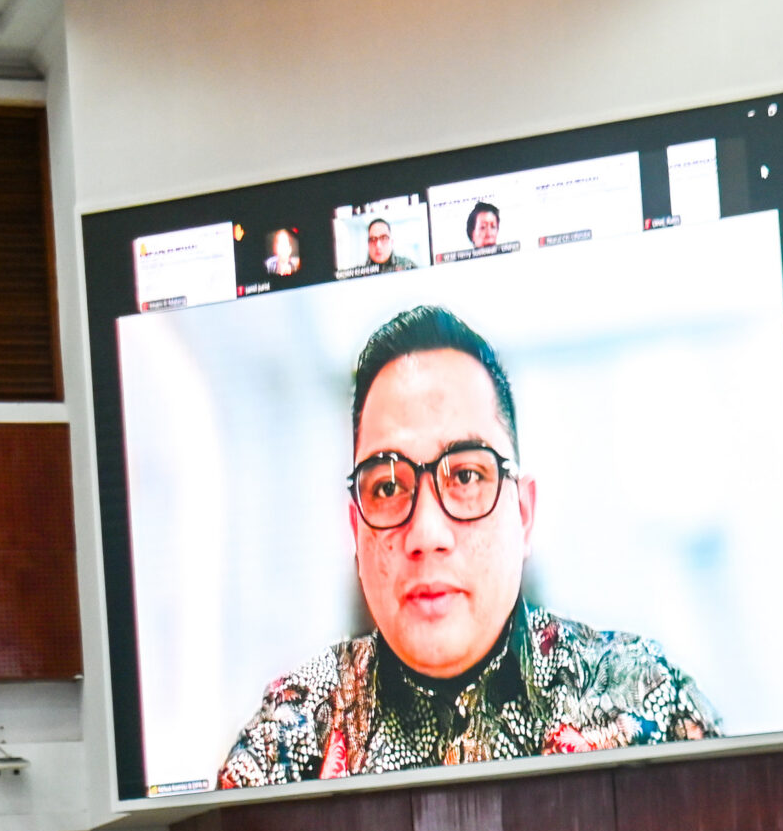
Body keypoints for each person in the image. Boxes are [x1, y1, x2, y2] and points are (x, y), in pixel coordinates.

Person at [216, 304, 718, 786]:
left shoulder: (641, 700)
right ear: (356, 531)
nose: (427, 534)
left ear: (522, 513)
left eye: (466, 475)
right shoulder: (289, 742)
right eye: (387, 488)